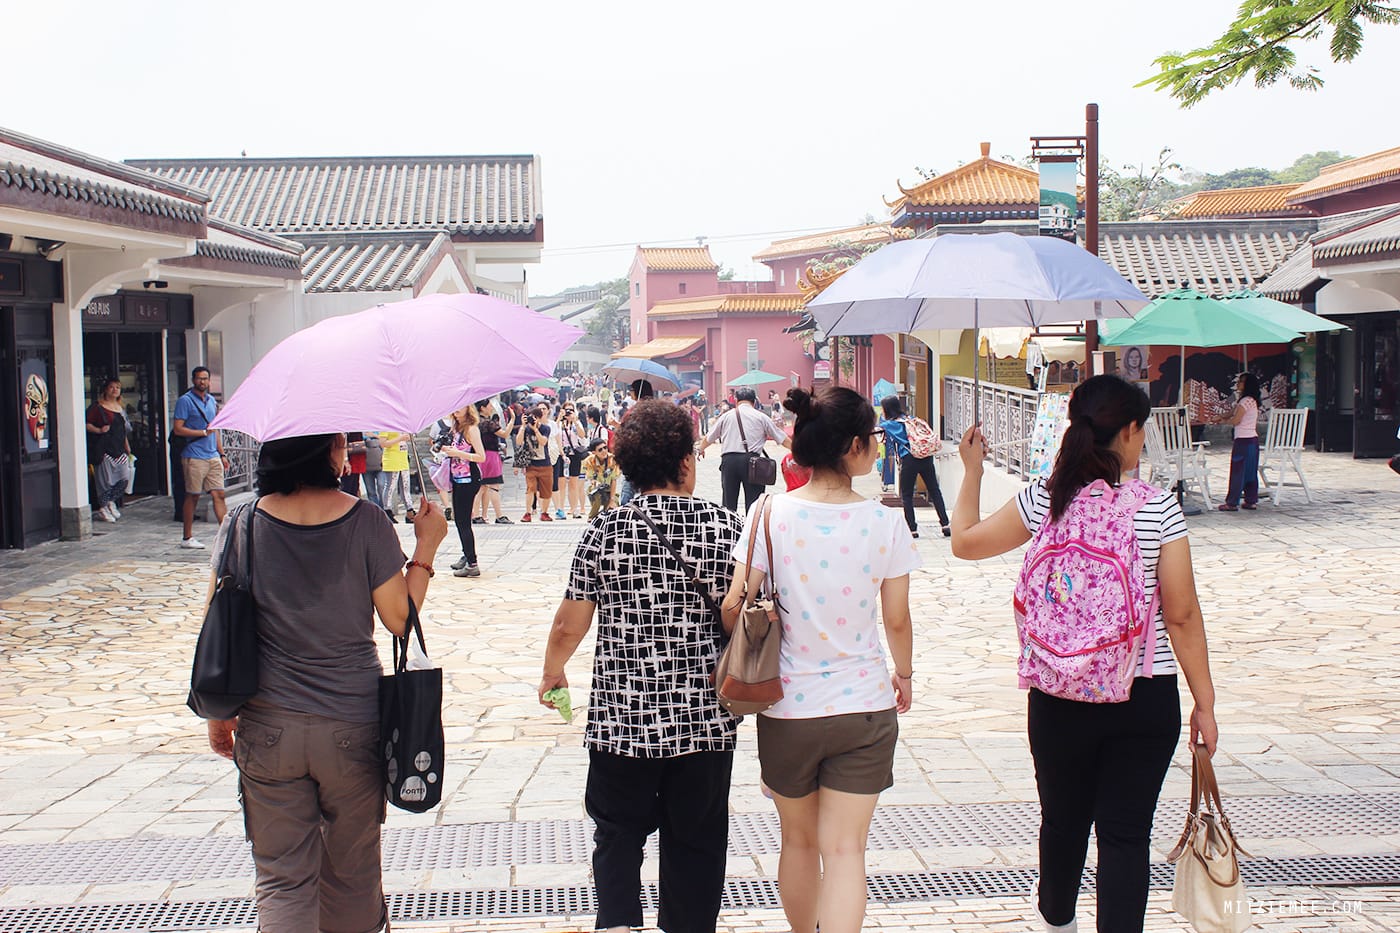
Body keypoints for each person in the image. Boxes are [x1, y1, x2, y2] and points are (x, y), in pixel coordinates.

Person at [950, 375, 1219, 933]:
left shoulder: (1046, 497)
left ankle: (1057, 923)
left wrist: (972, 471)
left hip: (1056, 693)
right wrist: (1205, 702)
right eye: (1141, 430)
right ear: (1127, 432)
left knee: (1063, 822)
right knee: (1125, 836)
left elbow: (965, 542)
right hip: (1142, 694)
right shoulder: (1157, 509)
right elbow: (1183, 615)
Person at [203, 432, 448, 933]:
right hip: (352, 724)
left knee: (282, 880)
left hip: (268, 727)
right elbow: (400, 621)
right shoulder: (366, 521)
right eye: (339, 442)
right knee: (352, 874)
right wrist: (426, 547)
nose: (345, 450)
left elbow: (216, 620)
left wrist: (218, 713)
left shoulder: (242, 523)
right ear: (324, 452)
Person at [720, 386, 917, 933]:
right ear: (854, 446)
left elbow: (738, 602)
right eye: (874, 438)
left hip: (787, 709)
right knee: (847, 850)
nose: (877, 447)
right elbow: (896, 620)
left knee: (799, 843)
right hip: (864, 706)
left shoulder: (768, 513)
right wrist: (903, 674)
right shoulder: (885, 522)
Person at [541, 400, 742, 933]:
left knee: (617, 835)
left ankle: (619, 925)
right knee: (696, 842)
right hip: (703, 719)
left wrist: (552, 671)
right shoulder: (727, 528)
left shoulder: (604, 531)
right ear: (683, 462)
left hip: (622, 720)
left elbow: (569, 623)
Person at [697, 386, 790, 513]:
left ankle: (730, 530)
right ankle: (751, 531)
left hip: (729, 462)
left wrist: (701, 449)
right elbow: (782, 438)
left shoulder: (726, 416)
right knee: (754, 505)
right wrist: (799, 452)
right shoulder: (761, 417)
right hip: (753, 463)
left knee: (729, 504)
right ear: (754, 401)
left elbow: (709, 437)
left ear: (736, 401)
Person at [172, 366, 230, 549]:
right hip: (194, 454)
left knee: (219, 494)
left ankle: (226, 536)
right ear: (193, 380)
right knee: (193, 495)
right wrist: (202, 433)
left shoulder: (212, 401)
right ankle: (187, 537)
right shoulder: (185, 401)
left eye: (205, 378)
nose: (202, 382)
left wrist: (222, 453)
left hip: (212, 454)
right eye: (199, 379)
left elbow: (216, 430)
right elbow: (178, 429)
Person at [878, 396, 951, 539]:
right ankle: (945, 524)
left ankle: (912, 529)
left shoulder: (890, 424)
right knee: (934, 490)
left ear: (887, 409)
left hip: (910, 458)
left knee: (907, 495)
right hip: (926, 457)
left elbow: (878, 431)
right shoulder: (911, 419)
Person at [439, 406, 487, 576]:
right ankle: (467, 555)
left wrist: (458, 453)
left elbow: (481, 457)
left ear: (468, 408)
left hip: (469, 478)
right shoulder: (455, 428)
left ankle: (472, 563)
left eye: (461, 406)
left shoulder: (471, 429)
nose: (457, 410)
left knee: (463, 521)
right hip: (457, 478)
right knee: (459, 520)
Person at [86, 376, 131, 523]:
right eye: (112, 387)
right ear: (106, 389)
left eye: (117, 387)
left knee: (124, 477)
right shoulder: (97, 407)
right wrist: (99, 430)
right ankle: (103, 506)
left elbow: (123, 430)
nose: (115, 390)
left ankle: (111, 500)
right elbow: (86, 423)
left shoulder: (120, 408)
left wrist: (126, 445)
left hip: (119, 448)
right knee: (105, 480)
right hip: (104, 448)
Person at [1217, 372, 1262, 512]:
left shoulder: (1244, 401)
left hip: (1243, 441)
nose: (1238, 384)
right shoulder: (1250, 400)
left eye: (1241, 382)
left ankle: (1232, 502)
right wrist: (1220, 416)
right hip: (1252, 441)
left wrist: (1222, 421)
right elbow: (1231, 412)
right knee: (1250, 471)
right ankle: (1250, 500)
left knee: (1238, 472)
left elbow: (1236, 420)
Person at [473, 401, 513, 524]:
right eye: (489, 406)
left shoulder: (476, 423)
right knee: (494, 486)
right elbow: (505, 434)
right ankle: (499, 515)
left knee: (481, 487)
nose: (491, 408)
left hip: (480, 455)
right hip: (491, 456)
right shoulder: (488, 423)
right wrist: (512, 420)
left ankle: (475, 515)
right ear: (483, 408)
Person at [516, 403, 555, 522]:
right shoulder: (525, 429)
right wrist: (523, 426)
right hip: (531, 465)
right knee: (530, 489)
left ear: (539, 417)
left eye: (534, 417)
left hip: (545, 464)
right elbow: (518, 441)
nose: (533, 420)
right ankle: (527, 513)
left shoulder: (545, 428)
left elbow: (543, 442)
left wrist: (536, 430)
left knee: (546, 491)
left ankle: (544, 512)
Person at [375, 431, 413, 522]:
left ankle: (410, 510)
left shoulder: (403, 425)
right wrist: (400, 438)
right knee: (390, 486)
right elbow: (383, 443)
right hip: (392, 459)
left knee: (405, 486)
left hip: (403, 458)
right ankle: (387, 510)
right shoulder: (386, 426)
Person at [559, 403, 588, 519]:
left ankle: (573, 507)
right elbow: (554, 433)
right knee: (561, 483)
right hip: (562, 455)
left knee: (573, 483)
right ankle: (560, 508)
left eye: (570, 410)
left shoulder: (576, 423)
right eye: (566, 410)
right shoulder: (559, 423)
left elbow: (582, 435)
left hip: (574, 455)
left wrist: (575, 421)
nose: (568, 413)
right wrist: (559, 418)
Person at [582, 437, 619, 519]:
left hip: (609, 490)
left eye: (605, 448)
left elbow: (614, 480)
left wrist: (612, 500)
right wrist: (595, 483)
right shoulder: (589, 461)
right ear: (594, 452)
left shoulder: (613, 459)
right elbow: (591, 478)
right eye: (600, 450)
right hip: (596, 489)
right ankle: (592, 517)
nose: (604, 451)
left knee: (614, 507)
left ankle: (605, 514)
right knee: (597, 497)